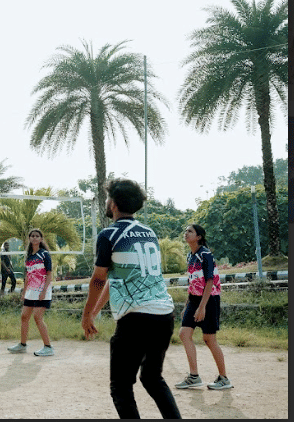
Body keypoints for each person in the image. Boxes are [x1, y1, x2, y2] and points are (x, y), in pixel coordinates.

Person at [81, 178, 181, 419]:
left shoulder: (109, 235)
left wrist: (86, 315)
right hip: (163, 315)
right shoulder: (149, 232)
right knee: (152, 379)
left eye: (107, 199)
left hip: (135, 319)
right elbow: (118, 279)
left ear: (113, 204)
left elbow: (98, 279)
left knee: (121, 387)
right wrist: (95, 311)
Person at [175, 224, 232, 390]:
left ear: (198, 237)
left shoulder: (205, 255)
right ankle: (194, 376)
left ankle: (224, 378)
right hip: (194, 300)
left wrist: (202, 307)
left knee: (209, 339)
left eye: (190, 231)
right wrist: (188, 305)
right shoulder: (190, 256)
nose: (186, 233)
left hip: (209, 300)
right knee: (184, 334)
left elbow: (209, 281)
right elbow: (193, 282)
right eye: (185, 231)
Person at [7, 229, 54, 356]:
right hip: (31, 291)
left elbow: (49, 274)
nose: (34, 238)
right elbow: (28, 275)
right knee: (24, 317)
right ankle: (22, 345)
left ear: (40, 239)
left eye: (37, 236)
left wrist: (44, 291)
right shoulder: (29, 256)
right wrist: (24, 291)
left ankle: (48, 347)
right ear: (29, 238)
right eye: (32, 236)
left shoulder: (44, 254)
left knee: (37, 317)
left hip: (42, 290)